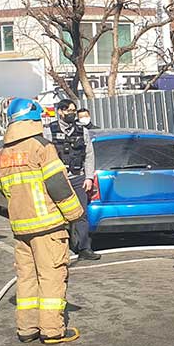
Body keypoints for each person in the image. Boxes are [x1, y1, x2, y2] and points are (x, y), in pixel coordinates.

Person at [0, 98, 83, 344]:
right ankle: (52, 330)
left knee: (26, 279)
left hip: (20, 227)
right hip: (48, 226)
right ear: (34, 120)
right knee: (51, 277)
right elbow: (58, 185)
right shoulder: (41, 147)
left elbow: (4, 189)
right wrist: (75, 215)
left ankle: (27, 328)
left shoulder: (3, 153)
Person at [46, 99, 100, 261]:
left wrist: (89, 177)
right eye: (69, 110)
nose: (72, 114)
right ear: (60, 112)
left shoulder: (81, 131)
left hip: (78, 178)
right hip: (58, 180)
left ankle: (84, 248)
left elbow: (89, 155)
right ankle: (58, 250)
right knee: (57, 215)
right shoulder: (49, 131)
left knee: (81, 214)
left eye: (73, 111)